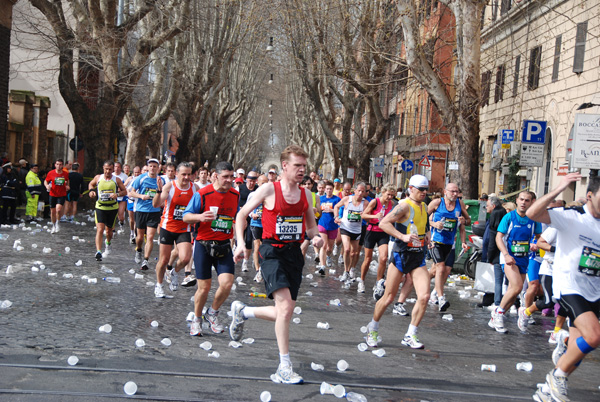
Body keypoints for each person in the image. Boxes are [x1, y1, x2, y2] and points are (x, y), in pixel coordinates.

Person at [229, 145, 323, 385]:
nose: (302, 170)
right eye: (297, 166)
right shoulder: (269, 189)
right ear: (284, 166)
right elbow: (241, 215)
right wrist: (240, 244)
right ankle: (284, 365)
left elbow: (311, 226)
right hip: (271, 252)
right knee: (284, 309)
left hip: (294, 255)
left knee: (286, 311)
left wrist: (316, 237)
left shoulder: (305, 195)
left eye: (304, 166)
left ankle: (244, 311)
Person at [526, 173, 600, 402]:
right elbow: (532, 213)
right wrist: (559, 188)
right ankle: (556, 376)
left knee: (581, 346)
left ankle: (546, 392)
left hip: (594, 289)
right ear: (590, 196)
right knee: (595, 336)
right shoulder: (571, 216)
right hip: (569, 286)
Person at [365, 174, 431, 349]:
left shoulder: (424, 206)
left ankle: (410, 334)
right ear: (411, 189)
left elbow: (423, 226)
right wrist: (402, 236)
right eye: (421, 189)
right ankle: (373, 328)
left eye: (426, 189)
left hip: (418, 257)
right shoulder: (403, 206)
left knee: (424, 296)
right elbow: (384, 223)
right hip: (401, 256)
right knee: (388, 298)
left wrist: (428, 238)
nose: (424, 192)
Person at [183, 161, 239, 336]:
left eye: (232, 177)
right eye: (225, 177)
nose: (229, 180)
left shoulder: (235, 195)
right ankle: (197, 319)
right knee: (204, 288)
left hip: (224, 245)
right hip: (203, 245)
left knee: (227, 284)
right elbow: (186, 216)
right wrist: (200, 216)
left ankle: (212, 313)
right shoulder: (203, 194)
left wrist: (239, 241)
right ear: (215, 175)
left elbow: (238, 217)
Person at [489, 190, 541, 333]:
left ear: (531, 203)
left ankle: (496, 316)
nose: (524, 202)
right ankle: (498, 313)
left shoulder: (533, 220)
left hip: (524, 258)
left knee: (513, 295)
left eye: (527, 200)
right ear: (517, 200)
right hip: (509, 257)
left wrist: (536, 243)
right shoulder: (509, 217)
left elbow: (539, 237)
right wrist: (505, 254)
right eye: (522, 199)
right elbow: (499, 237)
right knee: (517, 287)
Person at [152, 162, 197, 297]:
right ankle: (159, 285)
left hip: (184, 228)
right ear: (176, 174)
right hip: (168, 227)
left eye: (189, 174)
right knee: (164, 260)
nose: (186, 177)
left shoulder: (195, 188)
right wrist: (159, 191)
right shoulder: (170, 186)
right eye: (183, 174)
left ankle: (174, 272)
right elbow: (156, 204)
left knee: (185, 258)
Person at [427, 183, 469, 312]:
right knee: (440, 267)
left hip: (450, 243)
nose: (455, 194)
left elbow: (467, 221)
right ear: (445, 191)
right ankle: (441, 298)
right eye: (452, 191)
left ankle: (428, 287)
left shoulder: (459, 204)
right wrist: (434, 223)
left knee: (447, 270)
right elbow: (423, 218)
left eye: (457, 191)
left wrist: (463, 239)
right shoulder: (436, 203)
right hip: (436, 241)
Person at [359, 184, 396, 294]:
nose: (389, 197)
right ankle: (362, 281)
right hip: (372, 231)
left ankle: (379, 282)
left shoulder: (392, 204)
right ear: (383, 192)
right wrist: (375, 216)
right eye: (388, 194)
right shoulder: (375, 202)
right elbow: (363, 215)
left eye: (392, 195)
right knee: (368, 259)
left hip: (383, 232)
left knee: (384, 258)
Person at [129, 159, 165, 270]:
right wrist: (141, 196)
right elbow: (131, 192)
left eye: (155, 166)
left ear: (158, 168)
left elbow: (164, 194)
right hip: (141, 210)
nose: (153, 168)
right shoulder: (141, 178)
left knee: (150, 237)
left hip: (154, 212)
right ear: (148, 167)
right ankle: (139, 250)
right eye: (151, 166)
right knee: (139, 238)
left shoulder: (161, 180)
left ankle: (145, 260)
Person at [87, 161, 128, 261]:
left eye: (110, 169)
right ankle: (98, 251)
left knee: (109, 231)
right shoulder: (98, 178)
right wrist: (91, 192)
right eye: (106, 169)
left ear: (112, 169)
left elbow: (125, 191)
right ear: (103, 168)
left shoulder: (116, 180)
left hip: (112, 208)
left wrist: (117, 195)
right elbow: (91, 184)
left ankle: (108, 243)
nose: (108, 171)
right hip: (100, 207)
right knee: (100, 229)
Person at [334, 182, 369, 281]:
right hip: (345, 227)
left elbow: (368, 217)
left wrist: (364, 215)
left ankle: (351, 269)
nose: (360, 193)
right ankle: (346, 271)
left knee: (354, 253)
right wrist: (336, 217)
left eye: (363, 191)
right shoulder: (347, 199)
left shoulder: (365, 203)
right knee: (347, 249)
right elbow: (336, 206)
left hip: (357, 230)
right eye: (359, 191)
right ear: (355, 190)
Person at [486, 195, 507, 308]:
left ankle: (498, 303)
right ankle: (510, 303)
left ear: (493, 206)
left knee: (498, 281)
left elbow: (491, 243)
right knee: (508, 282)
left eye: (488, 205)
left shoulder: (494, 226)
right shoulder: (506, 220)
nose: (486, 208)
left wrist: (489, 257)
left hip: (498, 256)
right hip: (508, 254)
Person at [316, 181, 341, 273]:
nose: (329, 190)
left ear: (333, 190)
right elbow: (317, 209)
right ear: (325, 190)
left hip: (333, 225)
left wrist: (332, 210)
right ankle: (322, 266)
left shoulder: (337, 199)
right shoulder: (320, 198)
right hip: (322, 223)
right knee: (324, 245)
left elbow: (339, 211)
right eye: (327, 189)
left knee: (329, 248)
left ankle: (328, 256)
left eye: (330, 189)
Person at [238, 170, 259, 272]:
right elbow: (236, 201)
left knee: (249, 240)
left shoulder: (257, 190)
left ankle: (245, 262)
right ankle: (237, 253)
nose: (252, 183)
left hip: (252, 218)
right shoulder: (241, 188)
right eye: (250, 180)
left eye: (254, 181)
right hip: (241, 217)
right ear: (246, 179)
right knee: (239, 239)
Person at [44, 159, 70, 233]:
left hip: (61, 194)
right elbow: (46, 181)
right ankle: (53, 225)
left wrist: (67, 186)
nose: (59, 166)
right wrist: (47, 186)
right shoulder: (51, 173)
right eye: (57, 164)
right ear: (55, 165)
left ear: (62, 165)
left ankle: (58, 223)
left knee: (58, 210)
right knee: (52, 211)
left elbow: (67, 181)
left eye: (60, 164)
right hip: (53, 194)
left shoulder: (65, 173)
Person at [124, 166, 141, 244]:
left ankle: (135, 235)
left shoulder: (142, 179)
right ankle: (131, 233)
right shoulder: (130, 179)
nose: (136, 174)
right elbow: (124, 187)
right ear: (133, 172)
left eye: (138, 172)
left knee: (136, 220)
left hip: (138, 202)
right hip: (131, 201)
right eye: (135, 172)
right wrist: (128, 192)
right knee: (131, 220)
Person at [113, 162, 129, 229]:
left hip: (122, 197)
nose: (116, 168)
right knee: (113, 215)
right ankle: (112, 230)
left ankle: (122, 223)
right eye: (115, 167)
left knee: (121, 215)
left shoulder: (125, 176)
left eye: (118, 167)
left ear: (120, 168)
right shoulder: (111, 175)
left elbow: (127, 187)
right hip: (113, 197)